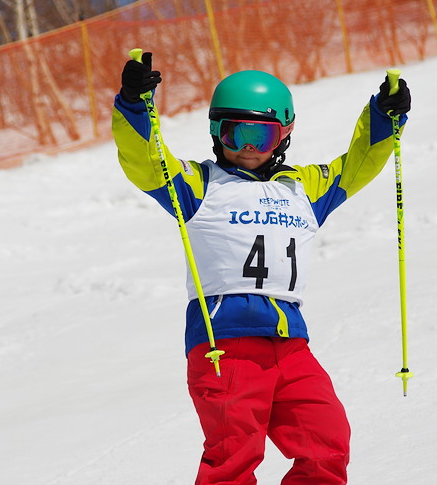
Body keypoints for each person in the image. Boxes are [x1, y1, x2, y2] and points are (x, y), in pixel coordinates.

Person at [112, 51, 410, 485]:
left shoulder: (304, 188)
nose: (247, 147)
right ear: (216, 133)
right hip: (225, 346)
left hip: (291, 346)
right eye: (235, 134)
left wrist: (384, 117)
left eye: (261, 134)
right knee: (234, 456)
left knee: (326, 443)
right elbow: (144, 158)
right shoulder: (197, 185)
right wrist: (135, 104)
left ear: (284, 134)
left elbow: (359, 164)